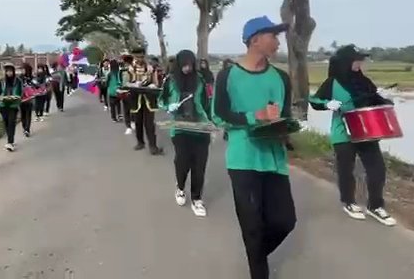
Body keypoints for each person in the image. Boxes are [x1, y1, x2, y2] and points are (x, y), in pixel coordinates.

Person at [212, 16, 296, 279]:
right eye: (273, 35)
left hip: (274, 159)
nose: (278, 41)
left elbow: (283, 115)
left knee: (285, 221)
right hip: (242, 159)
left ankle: (256, 254)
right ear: (255, 39)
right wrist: (253, 116)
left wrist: (287, 129)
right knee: (252, 226)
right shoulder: (228, 75)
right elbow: (219, 114)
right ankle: (258, 270)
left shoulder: (282, 78)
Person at [309, 45, 397, 226]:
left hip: (367, 132)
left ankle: (376, 206)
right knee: (346, 170)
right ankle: (349, 202)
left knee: (377, 169)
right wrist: (328, 104)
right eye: (356, 60)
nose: (359, 63)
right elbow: (315, 101)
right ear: (346, 62)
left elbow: (376, 101)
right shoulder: (332, 83)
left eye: (360, 60)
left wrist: (385, 98)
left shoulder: (364, 82)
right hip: (344, 133)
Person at [159, 50, 212, 217]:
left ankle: (197, 199)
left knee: (199, 164)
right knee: (183, 161)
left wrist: (212, 123)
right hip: (180, 127)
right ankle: (180, 187)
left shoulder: (201, 80)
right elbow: (161, 99)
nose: (187, 68)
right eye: (184, 64)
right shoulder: (170, 80)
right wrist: (169, 107)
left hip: (200, 126)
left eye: (190, 64)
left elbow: (208, 102)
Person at [128, 47, 163, 155]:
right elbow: (126, 83)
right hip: (136, 99)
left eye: (141, 56)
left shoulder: (151, 68)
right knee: (138, 122)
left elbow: (156, 83)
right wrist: (134, 84)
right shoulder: (130, 68)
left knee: (149, 124)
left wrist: (153, 85)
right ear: (134, 56)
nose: (139, 59)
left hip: (148, 99)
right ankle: (140, 142)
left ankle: (153, 146)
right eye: (137, 56)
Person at [0, 63, 23, 152]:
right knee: (6, 123)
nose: (9, 73)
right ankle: (10, 138)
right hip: (3, 105)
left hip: (13, 105)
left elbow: (20, 92)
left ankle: (10, 142)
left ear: (13, 71)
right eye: (7, 71)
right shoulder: (1, 81)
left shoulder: (18, 81)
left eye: (10, 71)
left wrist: (17, 97)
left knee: (11, 122)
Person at [17, 63, 35, 137]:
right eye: (21, 69)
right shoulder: (19, 78)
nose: (22, 71)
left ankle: (27, 129)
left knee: (28, 114)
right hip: (21, 99)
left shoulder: (31, 78)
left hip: (29, 99)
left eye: (23, 69)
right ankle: (24, 128)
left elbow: (34, 87)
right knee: (23, 115)